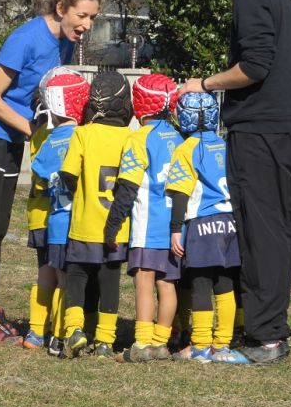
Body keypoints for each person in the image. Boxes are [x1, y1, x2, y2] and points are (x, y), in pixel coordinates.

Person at [179, 0, 291, 364]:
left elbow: (254, 66)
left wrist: (203, 84)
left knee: (260, 233)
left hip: (259, 128)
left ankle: (265, 338)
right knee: (280, 230)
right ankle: (270, 329)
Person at [0, 0, 102, 344]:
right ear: (61, 7)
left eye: (92, 18)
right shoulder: (26, 38)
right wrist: (34, 130)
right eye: (81, 16)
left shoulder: (66, 43)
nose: (86, 25)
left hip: (13, 137)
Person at [104, 73, 184, 363]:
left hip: (148, 226)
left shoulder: (140, 138)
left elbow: (127, 186)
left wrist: (112, 225)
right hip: (177, 228)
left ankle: (142, 343)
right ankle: (162, 343)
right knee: (167, 284)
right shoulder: (179, 136)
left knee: (144, 281)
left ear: (141, 103)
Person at [167, 91, 248, 364]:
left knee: (201, 284)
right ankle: (222, 344)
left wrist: (176, 228)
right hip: (230, 223)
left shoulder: (186, 148)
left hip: (203, 223)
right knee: (225, 284)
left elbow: (180, 192)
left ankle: (200, 345)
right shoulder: (225, 145)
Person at [60, 71, 133, 359]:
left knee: (77, 277)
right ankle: (105, 341)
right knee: (109, 281)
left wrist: (84, 192)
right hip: (118, 229)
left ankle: (75, 330)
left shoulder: (82, 133)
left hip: (84, 223)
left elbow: (68, 175)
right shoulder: (130, 137)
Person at [23, 66, 90, 356]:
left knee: (44, 273)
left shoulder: (42, 135)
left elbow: (38, 178)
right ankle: (61, 335)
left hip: (42, 217)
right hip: (66, 221)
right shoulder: (81, 135)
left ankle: (36, 331)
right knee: (65, 277)